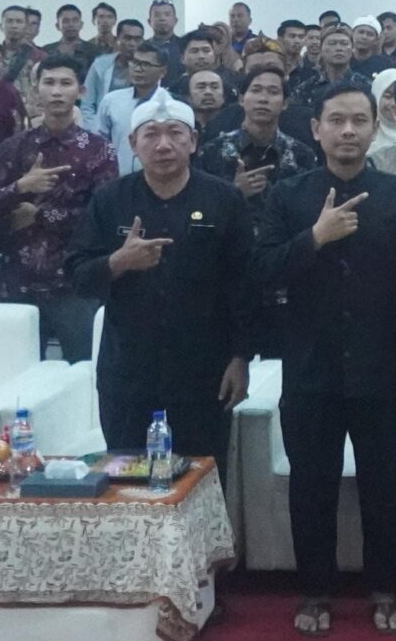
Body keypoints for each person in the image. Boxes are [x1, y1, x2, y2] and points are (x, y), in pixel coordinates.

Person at [259, 81, 396, 639]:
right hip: (311, 368)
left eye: (359, 120)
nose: (348, 131)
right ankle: (316, 591)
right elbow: (262, 271)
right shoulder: (287, 197)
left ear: (375, 126)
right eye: (336, 120)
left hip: (384, 367)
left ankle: (386, 587)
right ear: (316, 129)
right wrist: (315, 237)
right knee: (312, 488)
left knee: (387, 485)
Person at [65, 90, 258, 461]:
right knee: (127, 475)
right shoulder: (109, 199)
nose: (164, 144)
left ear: (194, 141)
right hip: (129, 372)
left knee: (203, 476)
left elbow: (244, 284)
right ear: (133, 143)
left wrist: (241, 357)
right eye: (151, 134)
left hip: (205, 370)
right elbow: (77, 274)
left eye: (175, 133)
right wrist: (118, 262)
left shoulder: (224, 199)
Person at [0, 55, 118, 359]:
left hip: (74, 283)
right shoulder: (14, 147)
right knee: (15, 370)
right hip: (18, 280)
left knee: (83, 369)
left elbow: (105, 215)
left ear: (81, 91)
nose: (57, 91)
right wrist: (20, 188)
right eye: (49, 83)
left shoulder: (99, 149)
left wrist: (40, 214)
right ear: (36, 90)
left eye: (66, 83)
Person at [197, 63, 316, 198]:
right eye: (256, 90)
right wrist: (235, 191)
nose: (263, 99)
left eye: (273, 92)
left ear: (285, 103)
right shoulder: (212, 152)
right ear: (241, 99)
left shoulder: (301, 156)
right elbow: (201, 204)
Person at [97, 40, 168, 174]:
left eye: (146, 65)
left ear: (162, 72)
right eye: (135, 62)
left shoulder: (171, 103)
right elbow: (100, 141)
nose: (138, 69)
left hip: (158, 177)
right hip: (117, 177)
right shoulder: (111, 100)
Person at [81, 16, 145, 122]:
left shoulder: (149, 67)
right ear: (118, 39)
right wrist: (93, 127)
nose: (132, 44)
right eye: (127, 38)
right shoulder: (100, 65)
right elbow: (87, 103)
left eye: (137, 39)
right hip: (101, 125)